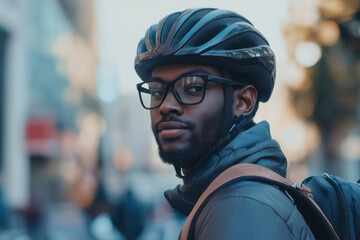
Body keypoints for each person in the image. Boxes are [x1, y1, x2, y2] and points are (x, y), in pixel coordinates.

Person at [134, 8, 315, 239]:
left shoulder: (241, 206)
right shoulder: (230, 196)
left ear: (243, 102)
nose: (166, 105)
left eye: (193, 88)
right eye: (157, 91)